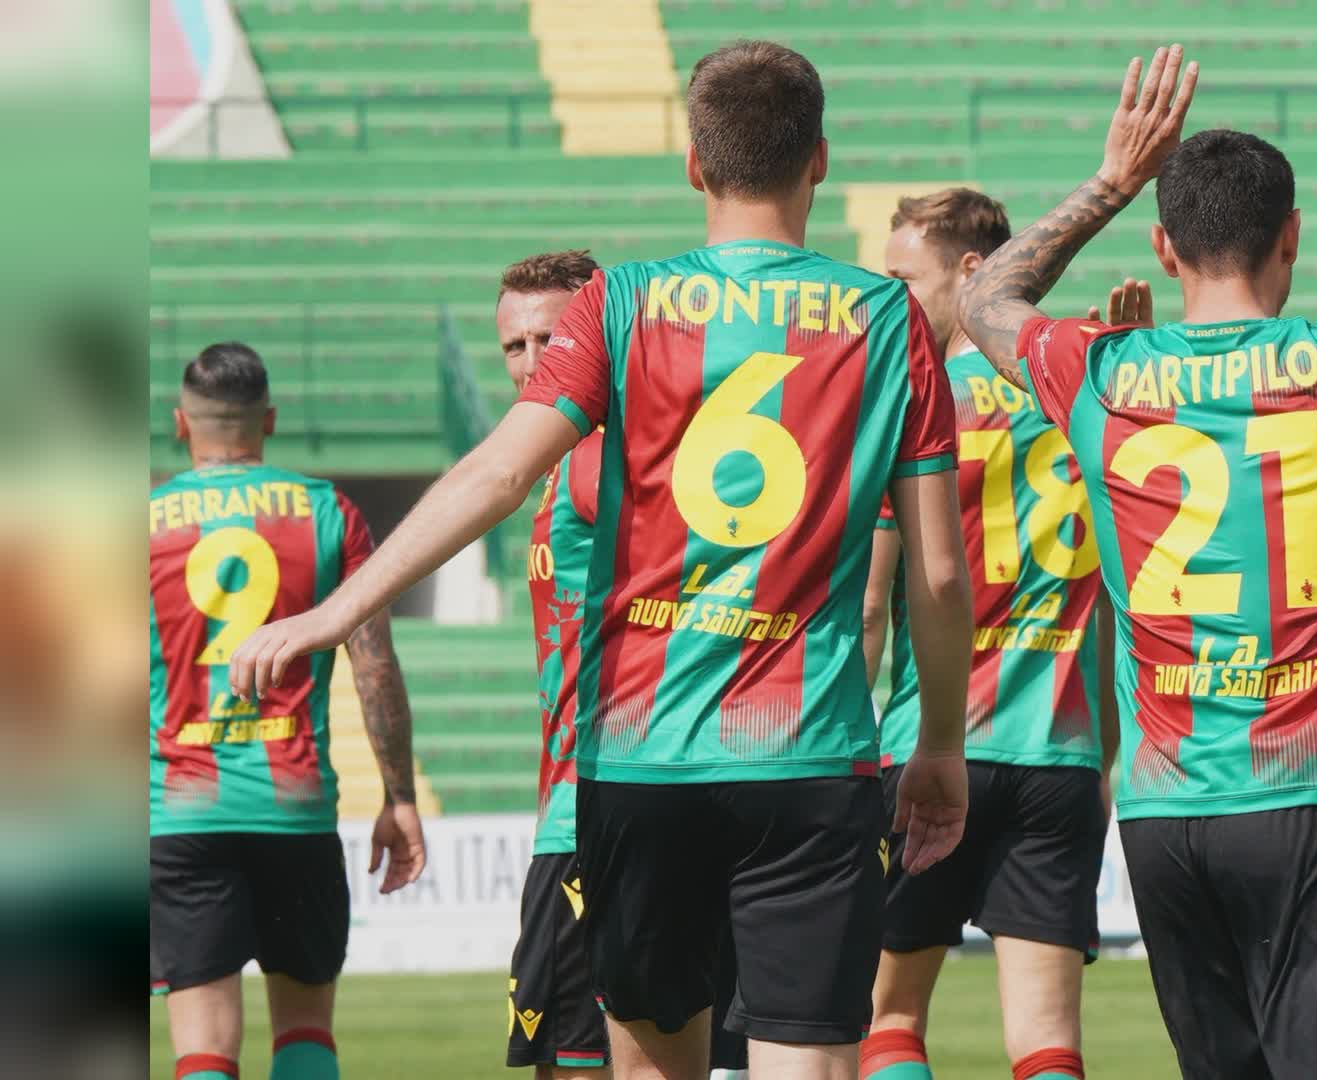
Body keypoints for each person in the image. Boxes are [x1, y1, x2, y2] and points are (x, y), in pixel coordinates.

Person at [227, 40, 973, 1080]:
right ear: (820, 161)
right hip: (810, 764)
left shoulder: (618, 302)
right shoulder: (887, 318)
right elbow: (938, 574)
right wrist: (939, 744)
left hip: (639, 762)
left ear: (694, 167)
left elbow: (497, 476)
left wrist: (330, 610)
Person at [959, 37, 1317, 1078]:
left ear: (1161, 248)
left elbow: (983, 301)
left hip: (1164, 815)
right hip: (1308, 802)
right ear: (1292, 240)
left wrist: (1108, 178)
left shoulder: (1097, 369)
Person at [859, 190, 1118, 1080]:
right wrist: (1108, 758)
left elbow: (869, 603)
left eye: (904, 280)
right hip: (1060, 752)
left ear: (974, 274)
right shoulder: (1083, 395)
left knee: (886, 1019)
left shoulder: (914, 406)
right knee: (1047, 1040)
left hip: (928, 749)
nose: (890, 301)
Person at [495, 250, 753, 1080]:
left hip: (598, 815)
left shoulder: (599, 455)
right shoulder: (570, 462)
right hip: (593, 803)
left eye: (553, 336)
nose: (535, 362)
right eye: (515, 346)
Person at [150, 342, 426, 1080]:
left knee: (202, 1048)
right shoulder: (328, 510)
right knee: (305, 1035)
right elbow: (375, 667)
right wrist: (399, 796)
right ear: (268, 419)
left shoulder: (143, 520)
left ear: (182, 424)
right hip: (295, 810)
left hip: (182, 813)